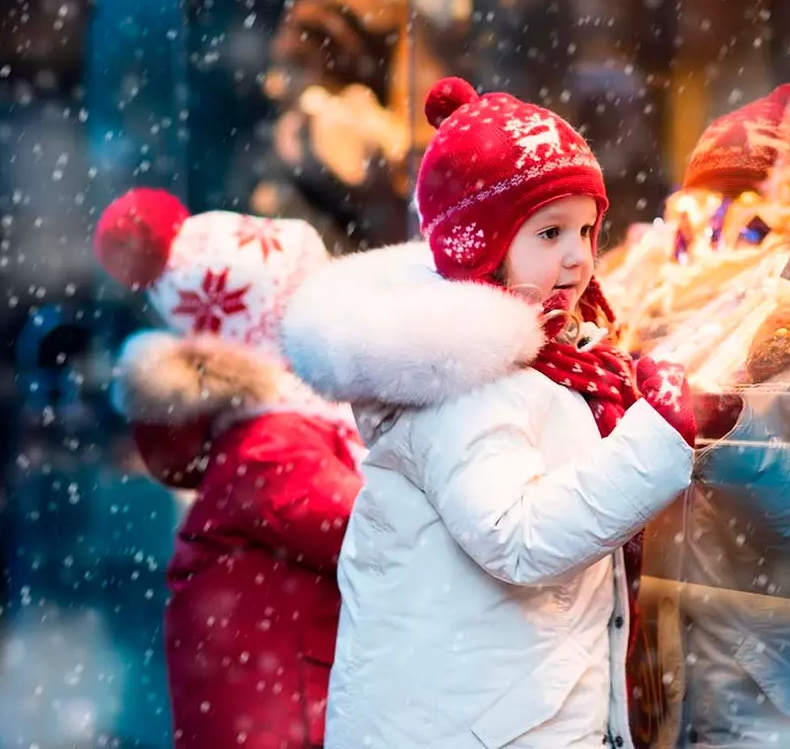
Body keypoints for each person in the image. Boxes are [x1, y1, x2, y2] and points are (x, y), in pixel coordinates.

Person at [281, 79, 729, 748]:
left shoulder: (545, 358)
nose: (578, 254)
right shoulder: (462, 383)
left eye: (585, 228)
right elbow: (519, 537)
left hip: (502, 712)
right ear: (478, 244)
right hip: (472, 725)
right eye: (550, 232)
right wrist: (655, 436)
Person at [93, 188, 364, 749]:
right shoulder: (273, 443)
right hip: (279, 711)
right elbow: (367, 527)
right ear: (278, 331)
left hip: (274, 702)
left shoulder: (274, 431)